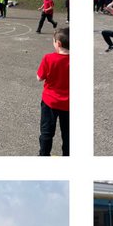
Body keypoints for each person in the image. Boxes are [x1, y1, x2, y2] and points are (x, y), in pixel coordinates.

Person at [37, 26, 69, 155]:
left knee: (47, 132)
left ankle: (44, 154)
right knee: (68, 134)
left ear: (58, 43)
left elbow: (39, 78)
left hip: (50, 102)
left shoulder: (49, 58)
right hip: (69, 104)